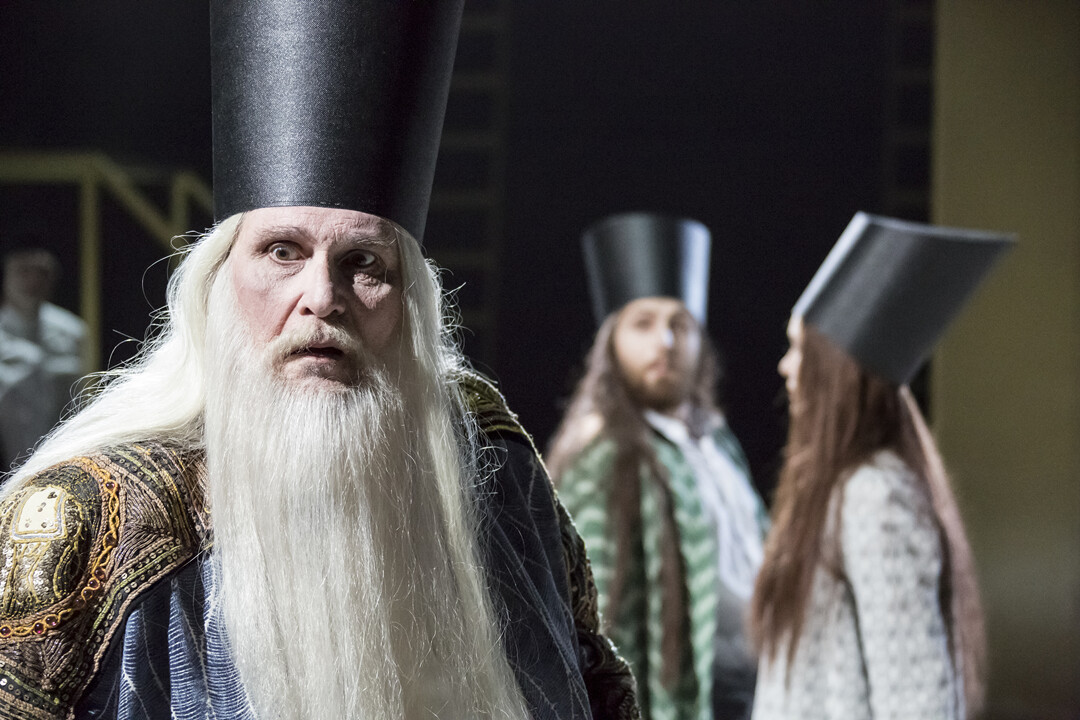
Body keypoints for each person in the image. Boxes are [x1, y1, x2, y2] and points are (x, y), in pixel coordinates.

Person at [0, 2, 638, 718]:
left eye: (364, 263)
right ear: (218, 283)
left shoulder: (493, 476)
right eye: (283, 251)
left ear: (410, 306)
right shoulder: (90, 520)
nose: (323, 297)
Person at [749, 212, 1014, 720]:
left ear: (836, 372)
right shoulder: (837, 488)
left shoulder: (874, 494)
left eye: (799, 349)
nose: (785, 366)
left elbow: (915, 696)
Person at [548, 213, 768, 720]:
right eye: (643, 324)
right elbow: (592, 622)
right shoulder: (606, 453)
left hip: (756, 690)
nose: (664, 342)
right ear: (612, 342)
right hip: (676, 698)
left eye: (679, 325)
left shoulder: (718, 444)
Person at [0, 247, 89, 468]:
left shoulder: (74, 332)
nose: (33, 281)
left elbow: (83, 402)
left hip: (62, 460)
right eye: (23, 271)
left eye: (42, 272)